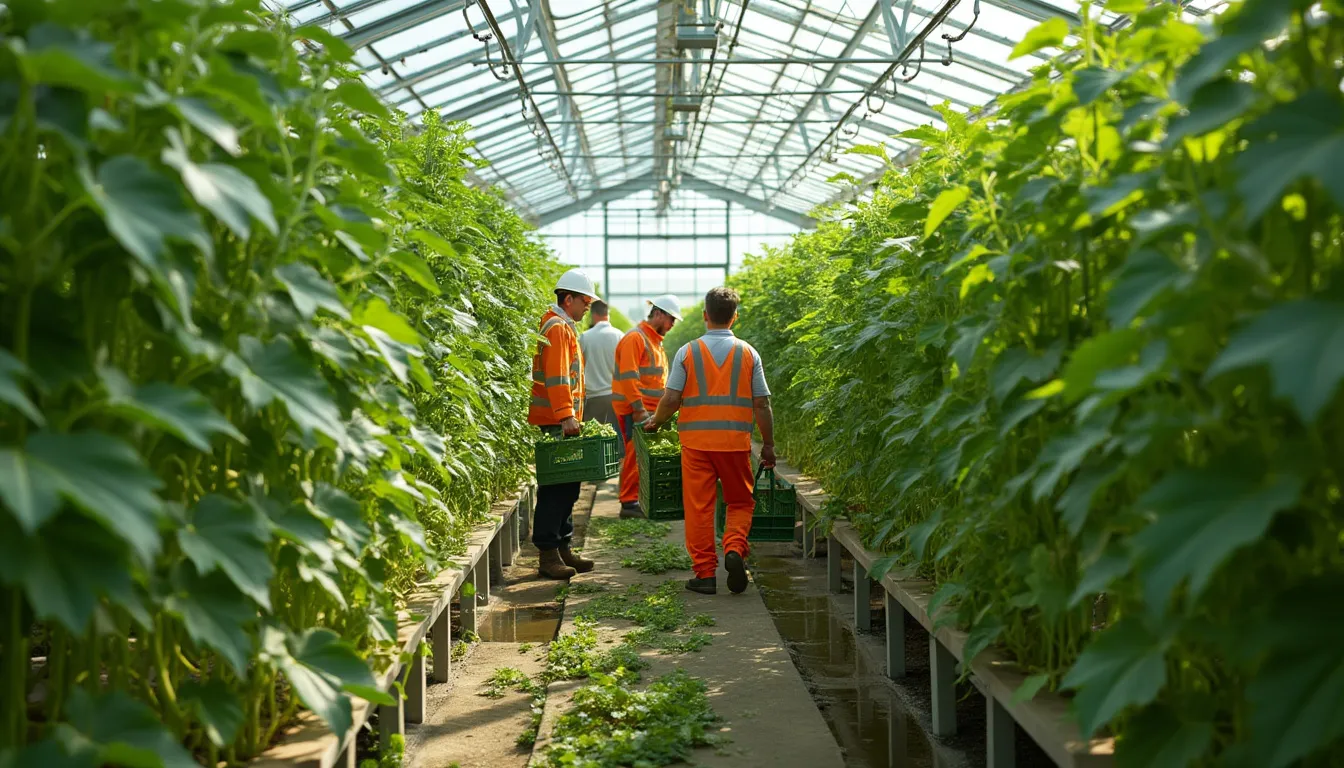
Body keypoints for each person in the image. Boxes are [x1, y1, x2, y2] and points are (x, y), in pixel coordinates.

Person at [643, 287, 774, 596]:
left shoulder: (687, 352)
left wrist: (656, 422)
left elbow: (672, 397)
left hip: (697, 444)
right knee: (740, 502)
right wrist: (768, 444)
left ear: (705, 316)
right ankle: (733, 548)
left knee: (700, 507)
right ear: (734, 317)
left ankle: (704, 575)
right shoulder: (748, 353)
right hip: (735, 444)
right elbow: (762, 405)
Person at [528, 268, 601, 580]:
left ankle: (563, 548)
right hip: (558, 422)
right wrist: (565, 415)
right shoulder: (557, 328)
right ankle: (548, 554)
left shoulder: (563, 326)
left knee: (568, 486)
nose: (588, 307)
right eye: (584, 301)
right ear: (567, 298)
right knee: (556, 489)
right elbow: (558, 378)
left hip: (563, 420)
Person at [612, 294, 682, 519]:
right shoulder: (636, 338)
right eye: (671, 319)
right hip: (635, 408)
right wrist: (638, 408)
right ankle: (628, 502)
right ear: (658, 313)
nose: (672, 325)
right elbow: (629, 376)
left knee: (641, 454)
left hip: (650, 408)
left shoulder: (654, 341)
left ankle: (637, 498)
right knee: (634, 453)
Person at [578, 300, 623, 431]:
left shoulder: (585, 338)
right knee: (616, 442)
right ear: (607, 314)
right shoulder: (620, 336)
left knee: (594, 441)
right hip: (616, 398)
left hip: (593, 400)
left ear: (593, 314)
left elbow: (577, 368)